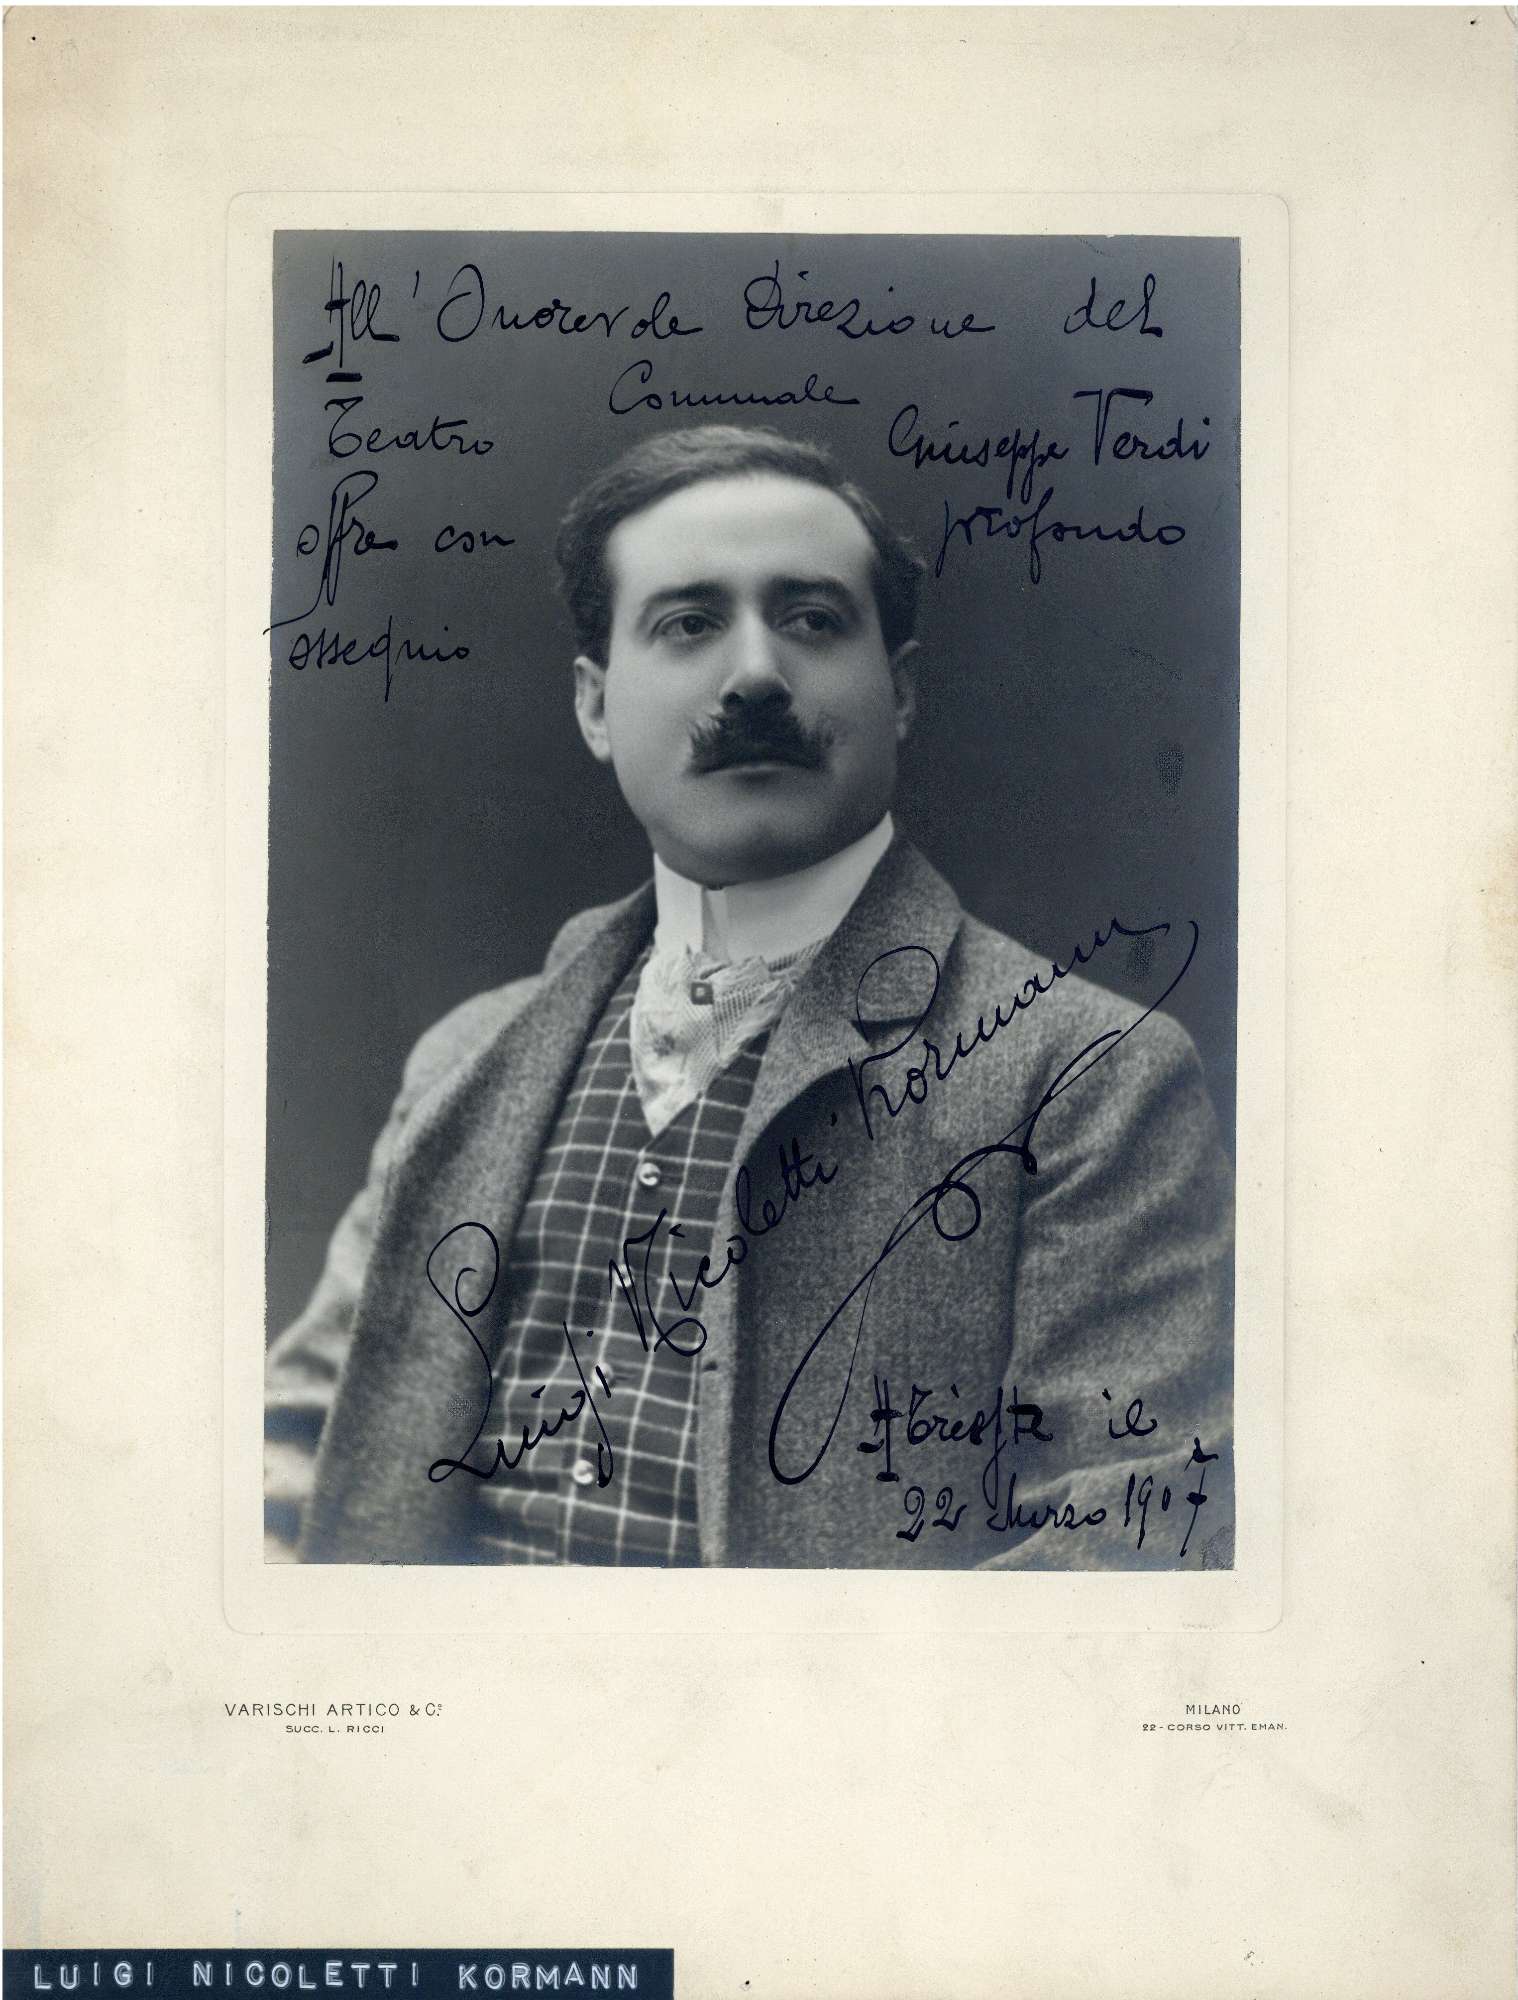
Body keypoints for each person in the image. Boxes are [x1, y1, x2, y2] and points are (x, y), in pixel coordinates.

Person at [266, 423, 1233, 1570]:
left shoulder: (1087, 1077)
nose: (758, 675)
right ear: (593, 705)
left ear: (900, 691)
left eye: (813, 620)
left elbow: (1133, 1541)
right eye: (688, 623)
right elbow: (302, 1450)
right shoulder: (470, 1056)